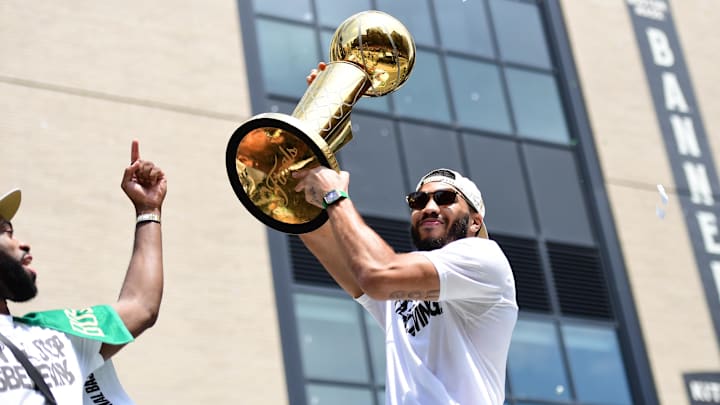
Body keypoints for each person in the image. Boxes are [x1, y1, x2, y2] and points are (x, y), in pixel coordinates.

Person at [291, 65, 518, 405]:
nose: (429, 206)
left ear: (474, 222)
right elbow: (331, 247)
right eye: (419, 199)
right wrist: (313, 135)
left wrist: (335, 195)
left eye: (444, 198)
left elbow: (375, 275)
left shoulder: (485, 259)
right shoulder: (406, 285)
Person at [0, 140, 167, 404]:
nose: (22, 243)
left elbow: (141, 305)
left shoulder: (51, 333)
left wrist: (148, 210)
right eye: (5, 233)